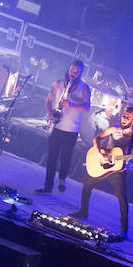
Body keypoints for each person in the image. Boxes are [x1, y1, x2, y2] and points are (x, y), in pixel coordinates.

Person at [69, 105, 133, 238]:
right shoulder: (113, 129)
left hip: (118, 169)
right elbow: (97, 138)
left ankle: (124, 229)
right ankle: (83, 211)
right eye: (124, 116)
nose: (124, 119)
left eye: (128, 118)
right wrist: (99, 154)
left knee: (122, 198)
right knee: (87, 186)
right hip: (103, 163)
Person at [40, 60, 91, 193]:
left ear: (80, 73)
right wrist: (50, 113)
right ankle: (47, 186)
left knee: (65, 157)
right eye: (71, 70)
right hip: (56, 126)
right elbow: (49, 99)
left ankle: (62, 179)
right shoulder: (58, 83)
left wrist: (72, 105)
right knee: (51, 157)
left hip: (71, 129)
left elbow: (87, 108)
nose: (73, 73)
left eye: (76, 71)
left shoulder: (84, 88)